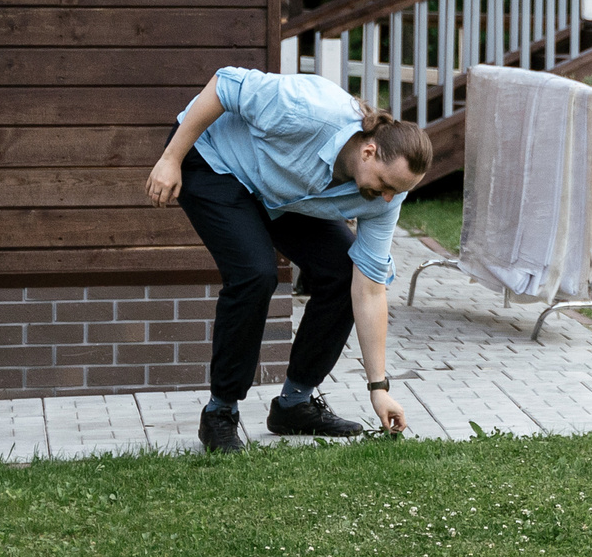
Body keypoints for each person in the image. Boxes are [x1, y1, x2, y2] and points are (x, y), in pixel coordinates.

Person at [145, 67, 432, 452]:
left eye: (396, 192)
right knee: (255, 273)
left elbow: (369, 289)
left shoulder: (387, 197)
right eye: (384, 185)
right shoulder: (308, 109)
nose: (386, 198)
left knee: (341, 272)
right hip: (213, 160)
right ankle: (220, 413)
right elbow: (224, 84)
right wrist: (170, 158)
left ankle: (294, 405)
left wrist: (378, 388)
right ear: (368, 151)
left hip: (275, 191)